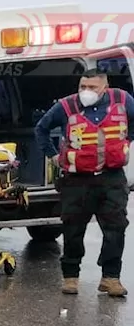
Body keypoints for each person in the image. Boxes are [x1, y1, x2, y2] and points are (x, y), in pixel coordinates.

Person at [34, 68, 134, 297]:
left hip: (112, 177)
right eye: (82, 87)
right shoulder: (66, 106)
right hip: (77, 180)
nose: (86, 92)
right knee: (73, 229)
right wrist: (53, 156)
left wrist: (125, 140)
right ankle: (71, 277)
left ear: (105, 88)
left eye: (92, 88)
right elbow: (41, 129)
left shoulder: (122, 100)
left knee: (116, 229)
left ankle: (110, 278)